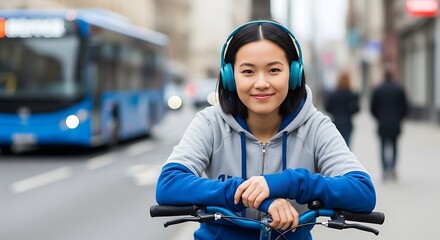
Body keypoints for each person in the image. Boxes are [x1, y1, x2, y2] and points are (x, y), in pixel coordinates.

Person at [155, 20, 376, 240]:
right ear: (230, 76)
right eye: (248, 71)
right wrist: (252, 195)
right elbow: (169, 183)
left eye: (274, 70)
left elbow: (363, 191)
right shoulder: (210, 122)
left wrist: (287, 183)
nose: (261, 83)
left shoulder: (316, 126)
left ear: (294, 73)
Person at [370, 69, 408, 181]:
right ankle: (393, 168)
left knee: (382, 146)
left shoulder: (378, 89)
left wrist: (379, 117)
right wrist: (399, 118)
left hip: (382, 122)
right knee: (395, 145)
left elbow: (372, 107)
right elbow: (405, 107)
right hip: (395, 122)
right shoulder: (399, 89)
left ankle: (384, 170)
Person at [324, 71, 360, 147]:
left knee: (336, 147)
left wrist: (335, 112)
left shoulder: (333, 95)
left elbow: (327, 108)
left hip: (336, 123)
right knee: (347, 148)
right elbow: (357, 109)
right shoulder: (351, 95)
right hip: (347, 124)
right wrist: (350, 112)